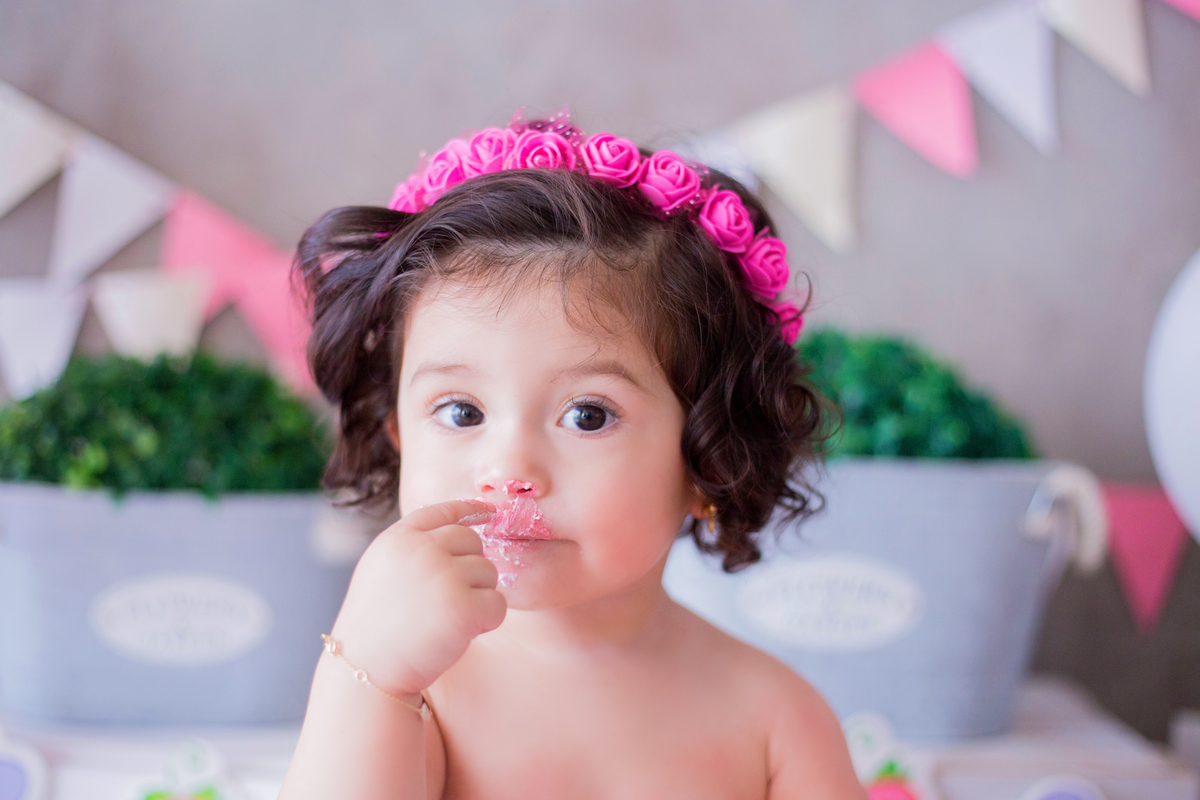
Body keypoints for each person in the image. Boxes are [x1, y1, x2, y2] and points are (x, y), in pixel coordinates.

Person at [278, 110, 865, 799]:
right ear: (398, 436)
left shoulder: (773, 720)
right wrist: (369, 675)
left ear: (710, 458)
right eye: (462, 412)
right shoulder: (413, 694)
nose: (511, 471)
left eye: (588, 416)